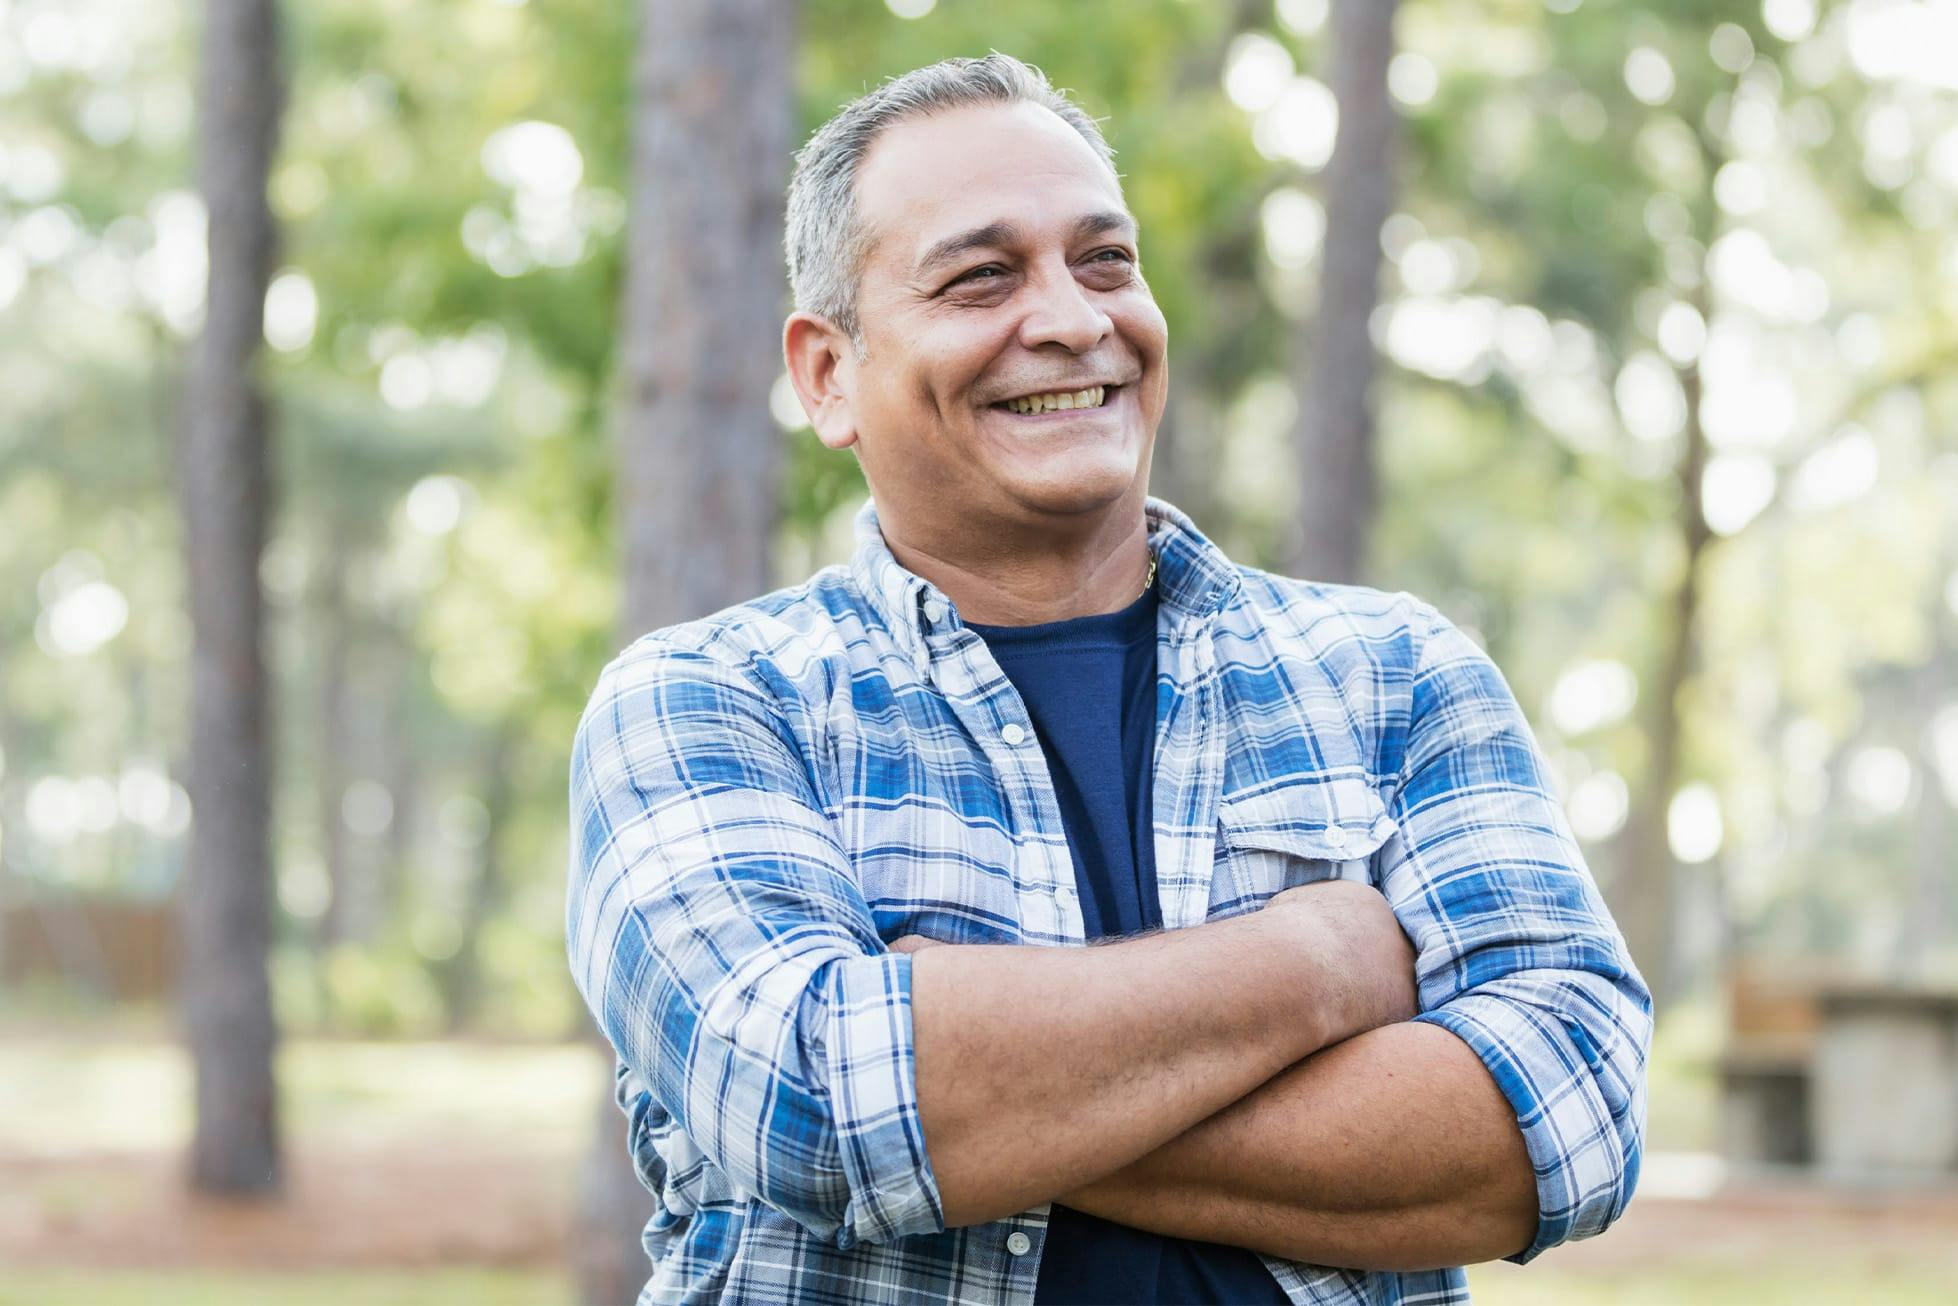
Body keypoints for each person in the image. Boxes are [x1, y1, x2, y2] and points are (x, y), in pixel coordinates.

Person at [566, 52, 1650, 1306]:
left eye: (1104, 261)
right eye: (980, 276)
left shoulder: (1394, 680)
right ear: (825, 375)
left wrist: (976, 1074)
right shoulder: (705, 702)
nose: (1075, 321)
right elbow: (809, 1102)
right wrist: (1317, 962)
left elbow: (1567, 1114)